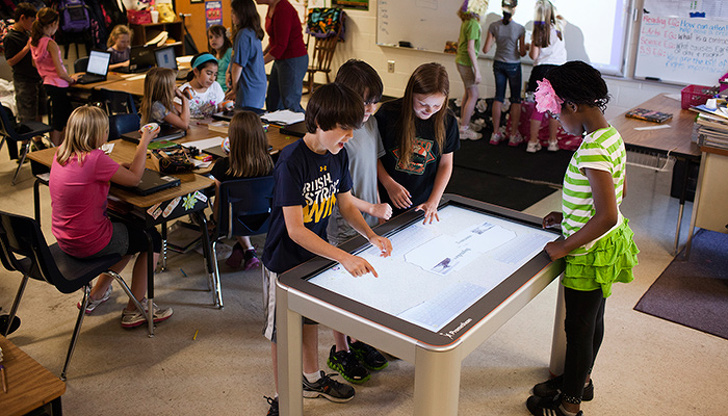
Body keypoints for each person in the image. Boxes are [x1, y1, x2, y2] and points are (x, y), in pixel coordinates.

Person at [260, 83, 393, 415]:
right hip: (284, 261)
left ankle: (311, 378)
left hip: (314, 259)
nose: (348, 138)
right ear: (318, 122)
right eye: (343, 131)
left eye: (352, 132)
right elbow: (295, 230)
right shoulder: (291, 161)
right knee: (282, 333)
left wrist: (369, 237)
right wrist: (344, 257)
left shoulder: (339, 154)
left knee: (308, 322)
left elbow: (346, 204)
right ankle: (282, 399)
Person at [525, 61, 639, 416]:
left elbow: (605, 214)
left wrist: (564, 245)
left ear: (573, 105)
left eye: (558, 115)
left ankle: (569, 406)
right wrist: (568, 216)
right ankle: (581, 381)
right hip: (606, 244)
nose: (558, 122)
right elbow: (610, 196)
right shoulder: (609, 136)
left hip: (590, 252)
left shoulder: (591, 148)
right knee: (592, 322)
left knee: (578, 329)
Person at [49, 106, 174, 328]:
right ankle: (136, 308)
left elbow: (90, 175)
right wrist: (144, 140)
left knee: (126, 232)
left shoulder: (61, 153)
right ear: (96, 134)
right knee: (150, 239)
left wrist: (115, 170)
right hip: (89, 242)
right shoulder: (96, 158)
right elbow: (135, 179)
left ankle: (96, 295)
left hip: (66, 239)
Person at [325, 59, 393, 385]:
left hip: (370, 219)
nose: (370, 108)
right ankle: (340, 348)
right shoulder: (338, 135)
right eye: (364, 100)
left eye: (373, 101)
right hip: (342, 223)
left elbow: (372, 168)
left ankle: (360, 338)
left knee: (367, 285)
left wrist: (379, 206)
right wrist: (371, 208)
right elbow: (340, 195)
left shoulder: (370, 126)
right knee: (344, 288)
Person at [375, 62, 460, 223]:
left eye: (437, 105)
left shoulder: (448, 121)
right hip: (385, 199)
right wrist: (388, 183)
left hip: (422, 203)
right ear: (410, 94)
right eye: (422, 104)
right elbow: (373, 157)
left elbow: (445, 164)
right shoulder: (388, 114)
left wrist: (434, 201)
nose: (429, 111)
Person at [210, 111, 274, 270]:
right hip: (265, 219)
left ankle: (247, 249)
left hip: (232, 223)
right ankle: (244, 250)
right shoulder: (271, 164)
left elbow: (219, 209)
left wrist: (215, 221)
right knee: (242, 208)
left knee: (231, 211)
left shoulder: (223, 167)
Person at [30, 7, 81, 146]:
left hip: (47, 82)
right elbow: (60, 71)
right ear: (53, 24)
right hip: (59, 84)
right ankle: (57, 149)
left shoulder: (34, 41)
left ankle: (58, 147)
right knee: (62, 121)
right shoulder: (50, 43)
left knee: (57, 118)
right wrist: (71, 79)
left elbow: (34, 64)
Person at [3, 2, 47, 157]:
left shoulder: (28, 34)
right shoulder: (11, 37)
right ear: (22, 18)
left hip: (37, 78)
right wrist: (26, 48)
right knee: (26, 114)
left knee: (39, 110)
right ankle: (25, 146)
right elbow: (10, 61)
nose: (32, 24)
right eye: (30, 21)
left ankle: (38, 141)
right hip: (23, 81)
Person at [525, 0, 567, 153]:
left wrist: (530, 47)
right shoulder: (560, 26)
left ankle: (532, 142)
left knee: (539, 108)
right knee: (554, 109)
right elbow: (562, 18)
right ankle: (553, 142)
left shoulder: (537, 31)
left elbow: (534, 55)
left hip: (541, 71)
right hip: (558, 71)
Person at [482, 0, 526, 146]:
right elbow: (522, 52)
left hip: (498, 64)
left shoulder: (494, 26)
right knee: (516, 99)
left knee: (498, 98)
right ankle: (513, 135)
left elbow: (486, 49)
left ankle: (495, 134)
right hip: (514, 65)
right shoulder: (520, 28)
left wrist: (496, 39)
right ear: (515, 9)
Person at [255, 0, 308, 113]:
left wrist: (259, 63)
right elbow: (276, 38)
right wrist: (263, 53)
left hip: (293, 58)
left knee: (290, 103)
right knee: (273, 102)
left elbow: (281, 45)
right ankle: (276, 129)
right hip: (281, 59)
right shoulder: (272, 7)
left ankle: (307, 127)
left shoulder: (283, 9)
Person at [225, 0, 266, 110]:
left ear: (241, 14)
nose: (231, 15)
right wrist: (228, 72)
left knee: (244, 119)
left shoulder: (243, 34)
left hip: (249, 86)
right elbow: (235, 58)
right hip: (257, 85)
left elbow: (238, 65)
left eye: (233, 12)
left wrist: (234, 88)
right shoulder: (251, 31)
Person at [455, 0, 487, 141]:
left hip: (461, 60)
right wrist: (477, 71)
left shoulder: (466, 21)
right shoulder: (473, 24)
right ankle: (464, 129)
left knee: (468, 93)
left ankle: (463, 124)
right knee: (474, 94)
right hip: (466, 62)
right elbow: (470, 48)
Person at [179, 53, 225, 119]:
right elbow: (180, 121)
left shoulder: (215, 86)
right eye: (209, 73)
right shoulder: (183, 91)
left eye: (215, 75)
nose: (212, 78)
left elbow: (220, 108)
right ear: (196, 71)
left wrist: (225, 109)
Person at [207, 24, 233, 92]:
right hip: (216, 90)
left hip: (228, 90)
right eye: (210, 37)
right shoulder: (212, 55)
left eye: (217, 36)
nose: (213, 40)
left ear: (224, 38)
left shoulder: (229, 52)